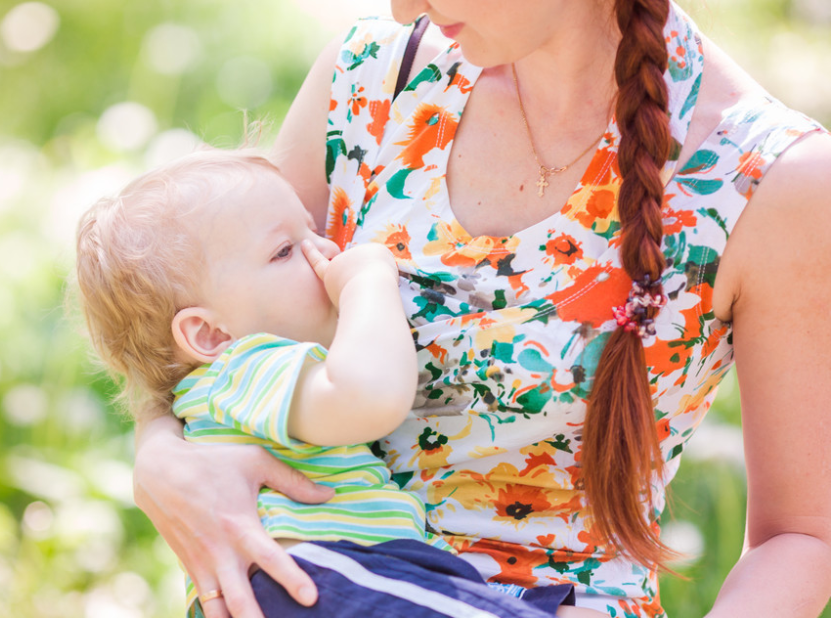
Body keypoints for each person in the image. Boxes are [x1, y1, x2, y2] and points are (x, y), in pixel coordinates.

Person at [132, 1, 831, 617]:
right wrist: (159, 456)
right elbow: (207, 324)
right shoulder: (373, 74)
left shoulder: (768, 177)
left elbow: (802, 537)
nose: (404, 7)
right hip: (319, 593)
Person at [74, 150, 600, 617]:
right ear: (210, 333)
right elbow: (369, 397)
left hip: (361, 576)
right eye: (284, 251)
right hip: (315, 578)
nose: (323, 250)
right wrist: (368, 282)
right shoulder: (246, 367)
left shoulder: (225, 389)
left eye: (311, 229)